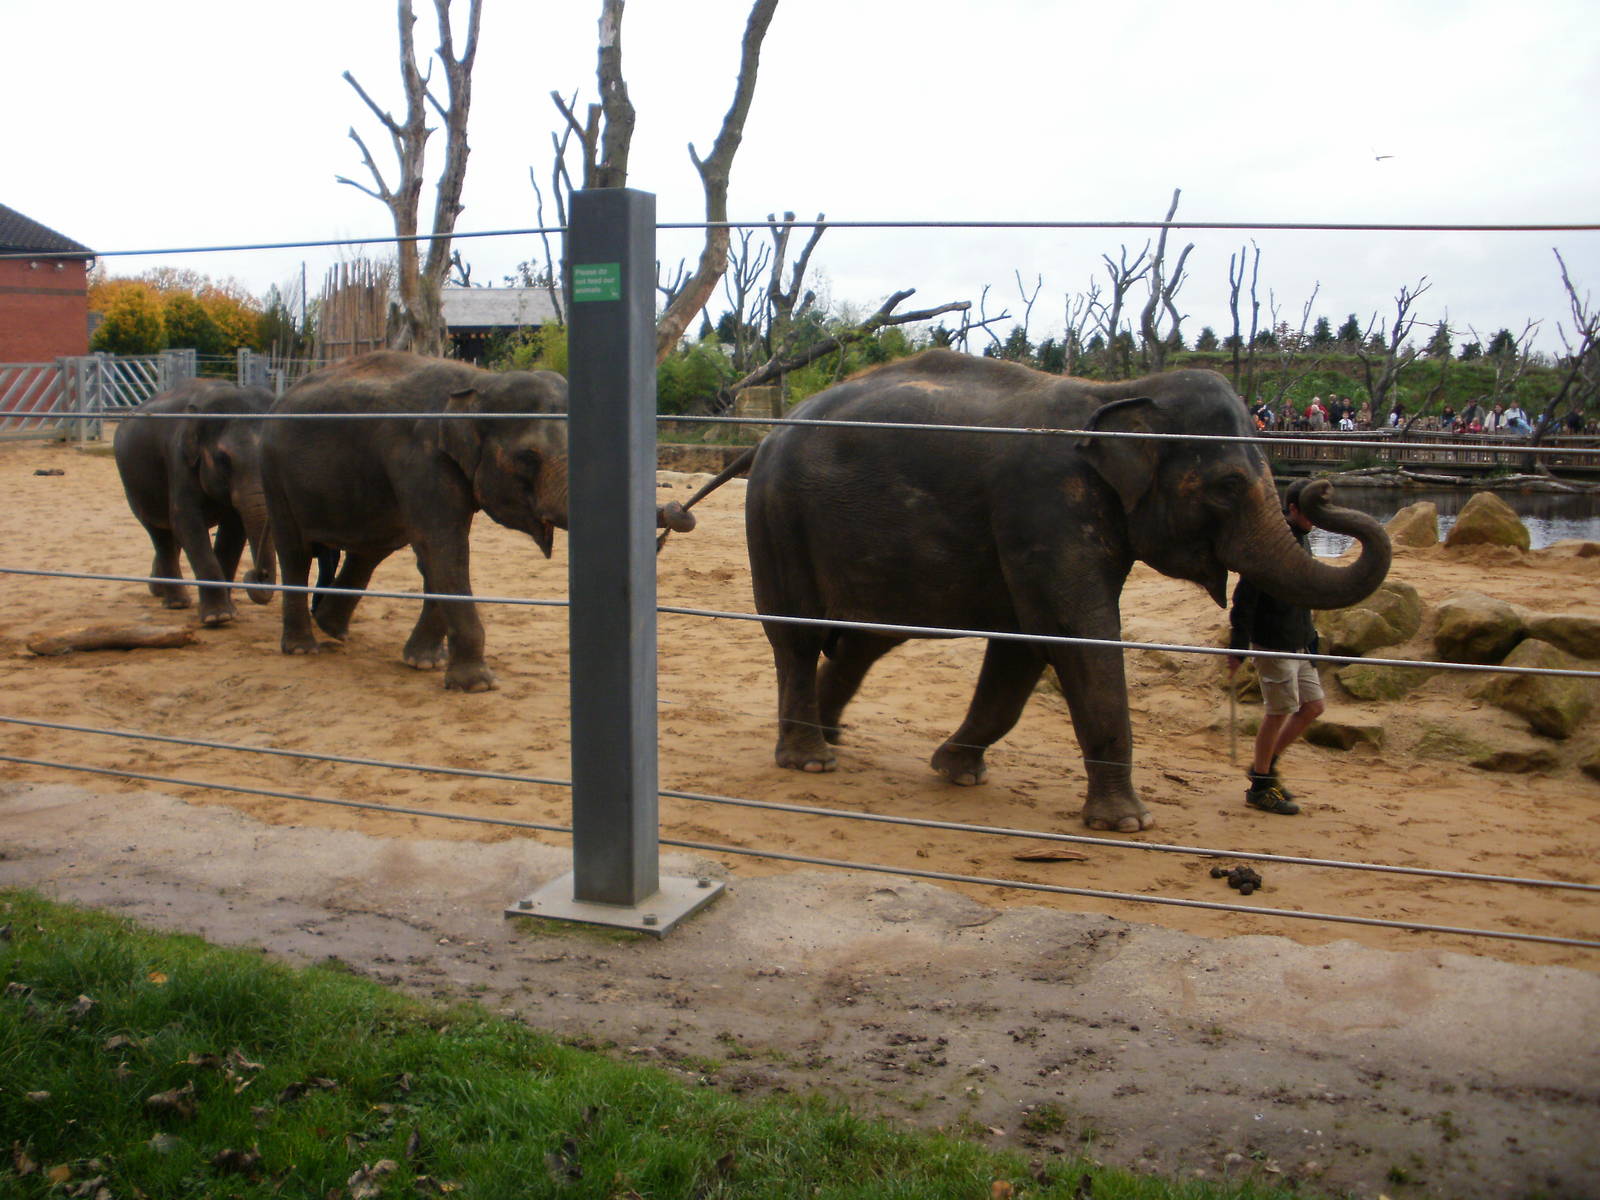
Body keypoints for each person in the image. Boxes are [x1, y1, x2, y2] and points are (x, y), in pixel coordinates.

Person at [1226, 479, 1324, 815]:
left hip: (1300, 640)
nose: (1315, 519)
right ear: (1292, 508)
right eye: (1309, 512)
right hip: (1273, 641)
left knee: (1313, 706)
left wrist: (1311, 639)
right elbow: (1244, 599)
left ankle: (1265, 768)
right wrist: (1238, 648)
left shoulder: (1302, 538)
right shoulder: (1271, 541)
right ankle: (1260, 787)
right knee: (1278, 710)